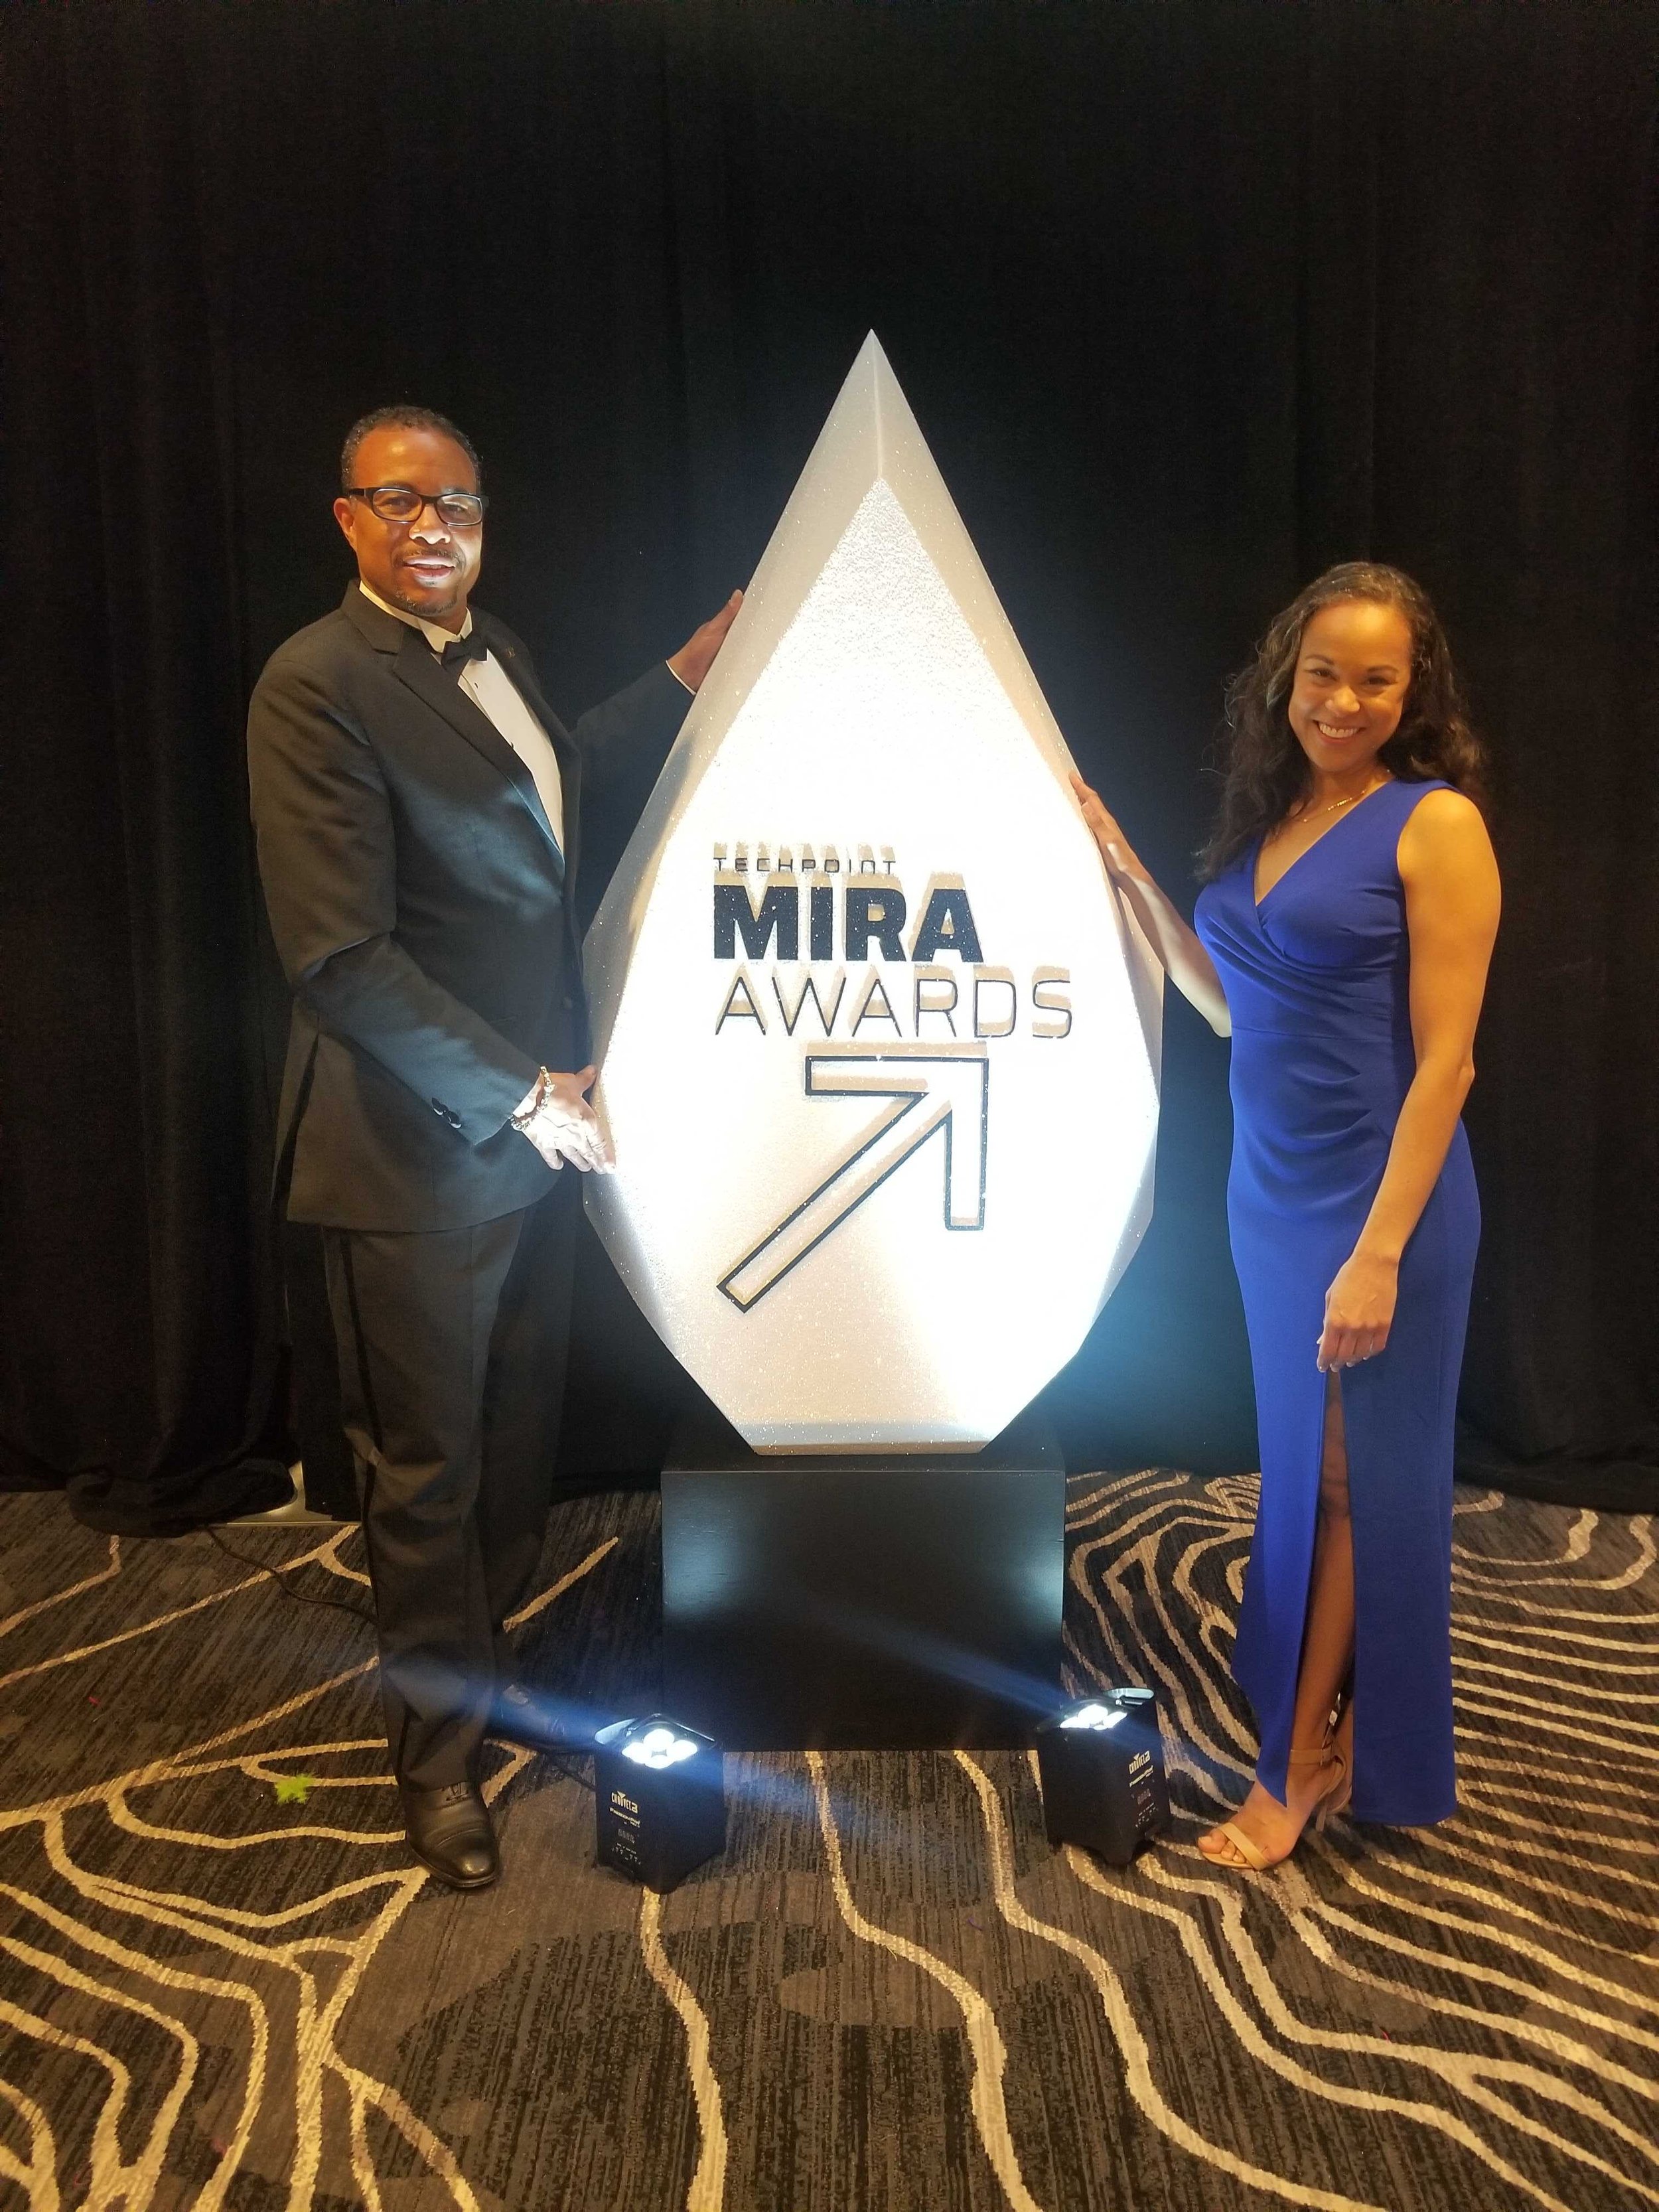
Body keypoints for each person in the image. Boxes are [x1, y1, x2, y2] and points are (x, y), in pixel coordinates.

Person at [247, 404, 739, 1891]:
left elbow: (553, 782)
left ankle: (488, 1670)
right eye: (399, 500)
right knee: (427, 1473)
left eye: (454, 500)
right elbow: (340, 958)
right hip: (414, 1149)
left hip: (536, 1137)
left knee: (514, 1451)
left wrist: (681, 676)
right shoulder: (316, 681)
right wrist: (525, 1094)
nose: (432, 524)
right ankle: (435, 1762)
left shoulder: (497, 648)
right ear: (347, 516)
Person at [1072, 561, 1500, 1868]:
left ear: (1413, 691)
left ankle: (1298, 1763)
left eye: (1376, 679)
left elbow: (1447, 1065)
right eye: (1323, 673)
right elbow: (1227, 1006)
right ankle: (1327, 1720)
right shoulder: (1279, 818)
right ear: (1286, 678)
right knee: (1309, 1474)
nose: (1343, 701)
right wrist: (1124, 868)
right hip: (1269, 1200)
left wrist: (1377, 1254)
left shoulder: (1433, 823)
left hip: (1382, 1206)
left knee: (1352, 1481)